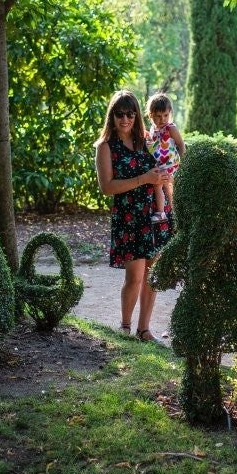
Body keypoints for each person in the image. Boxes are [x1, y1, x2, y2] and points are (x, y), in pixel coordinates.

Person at [94, 90, 173, 342]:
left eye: (130, 113)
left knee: (153, 275)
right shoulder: (105, 147)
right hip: (129, 218)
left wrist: (165, 175)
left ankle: (144, 329)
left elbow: (165, 162)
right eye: (120, 114)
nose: (125, 119)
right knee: (135, 277)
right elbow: (107, 187)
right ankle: (125, 327)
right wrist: (144, 179)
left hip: (155, 215)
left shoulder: (147, 140)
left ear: (137, 115)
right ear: (112, 116)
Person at [146, 93, 185, 223]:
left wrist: (183, 163)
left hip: (171, 163)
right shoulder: (152, 130)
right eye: (158, 116)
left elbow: (180, 144)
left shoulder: (171, 128)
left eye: (165, 115)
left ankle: (169, 213)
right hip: (160, 164)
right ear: (151, 115)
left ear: (170, 113)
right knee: (162, 187)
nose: (162, 119)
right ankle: (168, 213)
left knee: (164, 186)